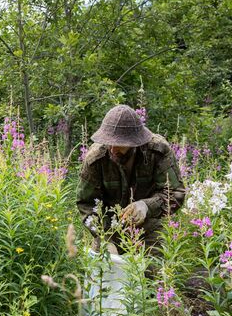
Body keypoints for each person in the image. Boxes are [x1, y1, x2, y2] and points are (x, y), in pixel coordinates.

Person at [76, 104, 186, 254]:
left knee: (152, 273)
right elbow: (86, 203)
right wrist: (104, 236)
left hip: (149, 227)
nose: (113, 149)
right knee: (105, 273)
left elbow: (175, 193)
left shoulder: (157, 152)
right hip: (109, 228)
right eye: (109, 142)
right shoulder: (96, 158)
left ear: (135, 143)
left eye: (119, 144)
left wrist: (147, 206)